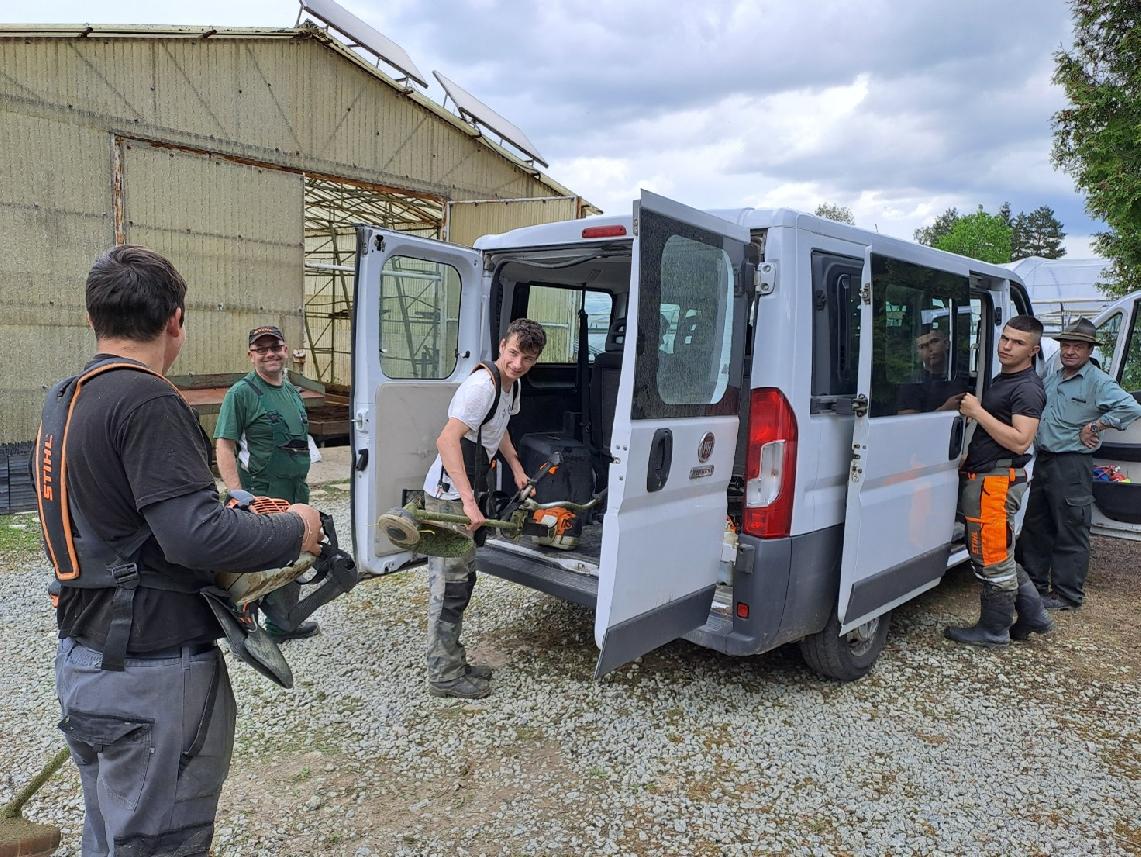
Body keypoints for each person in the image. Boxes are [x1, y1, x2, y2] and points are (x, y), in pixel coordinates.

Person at [40, 246, 324, 856]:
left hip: (86, 660)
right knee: (161, 844)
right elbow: (193, 536)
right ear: (175, 319)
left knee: (111, 834)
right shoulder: (147, 399)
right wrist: (295, 529)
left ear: (93, 320)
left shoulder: (65, 398)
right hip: (150, 673)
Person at [422, 318, 547, 699]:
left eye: (527, 358)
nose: (517, 364)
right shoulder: (481, 386)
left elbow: (500, 426)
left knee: (460, 583)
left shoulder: (511, 386)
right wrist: (468, 501)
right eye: (512, 354)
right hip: (447, 498)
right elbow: (446, 440)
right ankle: (443, 676)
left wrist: (517, 468)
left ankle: (453, 660)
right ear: (501, 347)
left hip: (465, 493)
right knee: (447, 587)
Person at [1016, 317, 1141, 610]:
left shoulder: (1097, 381)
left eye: (1078, 346)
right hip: (1045, 460)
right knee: (1037, 524)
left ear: (1089, 351)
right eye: (1066, 345)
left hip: (1072, 463)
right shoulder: (1054, 375)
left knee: (1071, 528)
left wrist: (1097, 425)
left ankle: (1066, 595)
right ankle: (1034, 585)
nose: (1070, 351)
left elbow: (1131, 407)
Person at [945, 314, 1053, 646]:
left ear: (1033, 350)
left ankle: (993, 629)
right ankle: (1035, 617)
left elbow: (1021, 440)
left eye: (1018, 342)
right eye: (1005, 338)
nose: (1006, 346)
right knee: (1000, 551)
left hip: (996, 481)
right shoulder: (1004, 379)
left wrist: (978, 413)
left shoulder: (1027, 388)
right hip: (988, 474)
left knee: (989, 555)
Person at [215, 325, 319, 642]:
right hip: (261, 492)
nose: (270, 353)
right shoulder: (242, 394)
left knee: (293, 554)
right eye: (262, 349)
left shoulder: (290, 390)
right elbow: (224, 445)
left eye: (275, 347)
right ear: (251, 355)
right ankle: (249, 629)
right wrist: (237, 494)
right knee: (257, 561)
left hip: (295, 489)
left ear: (285, 350)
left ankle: (283, 624)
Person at [897, 326, 969, 414]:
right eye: (923, 346)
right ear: (917, 354)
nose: (929, 349)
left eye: (934, 341)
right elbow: (906, 423)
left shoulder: (965, 373)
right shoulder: (912, 383)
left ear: (946, 343)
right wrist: (944, 410)